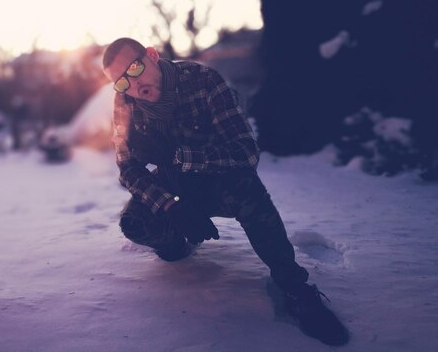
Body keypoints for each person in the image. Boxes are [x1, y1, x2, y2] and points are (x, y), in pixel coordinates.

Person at [102, 37, 349, 346]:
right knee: (135, 224)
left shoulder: (203, 81)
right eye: (121, 82)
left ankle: (294, 287)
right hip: (172, 189)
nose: (133, 85)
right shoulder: (125, 103)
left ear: (151, 55)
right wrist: (172, 207)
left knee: (248, 190)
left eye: (135, 68)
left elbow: (246, 153)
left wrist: (177, 157)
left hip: (216, 179)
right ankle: (178, 244)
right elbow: (128, 168)